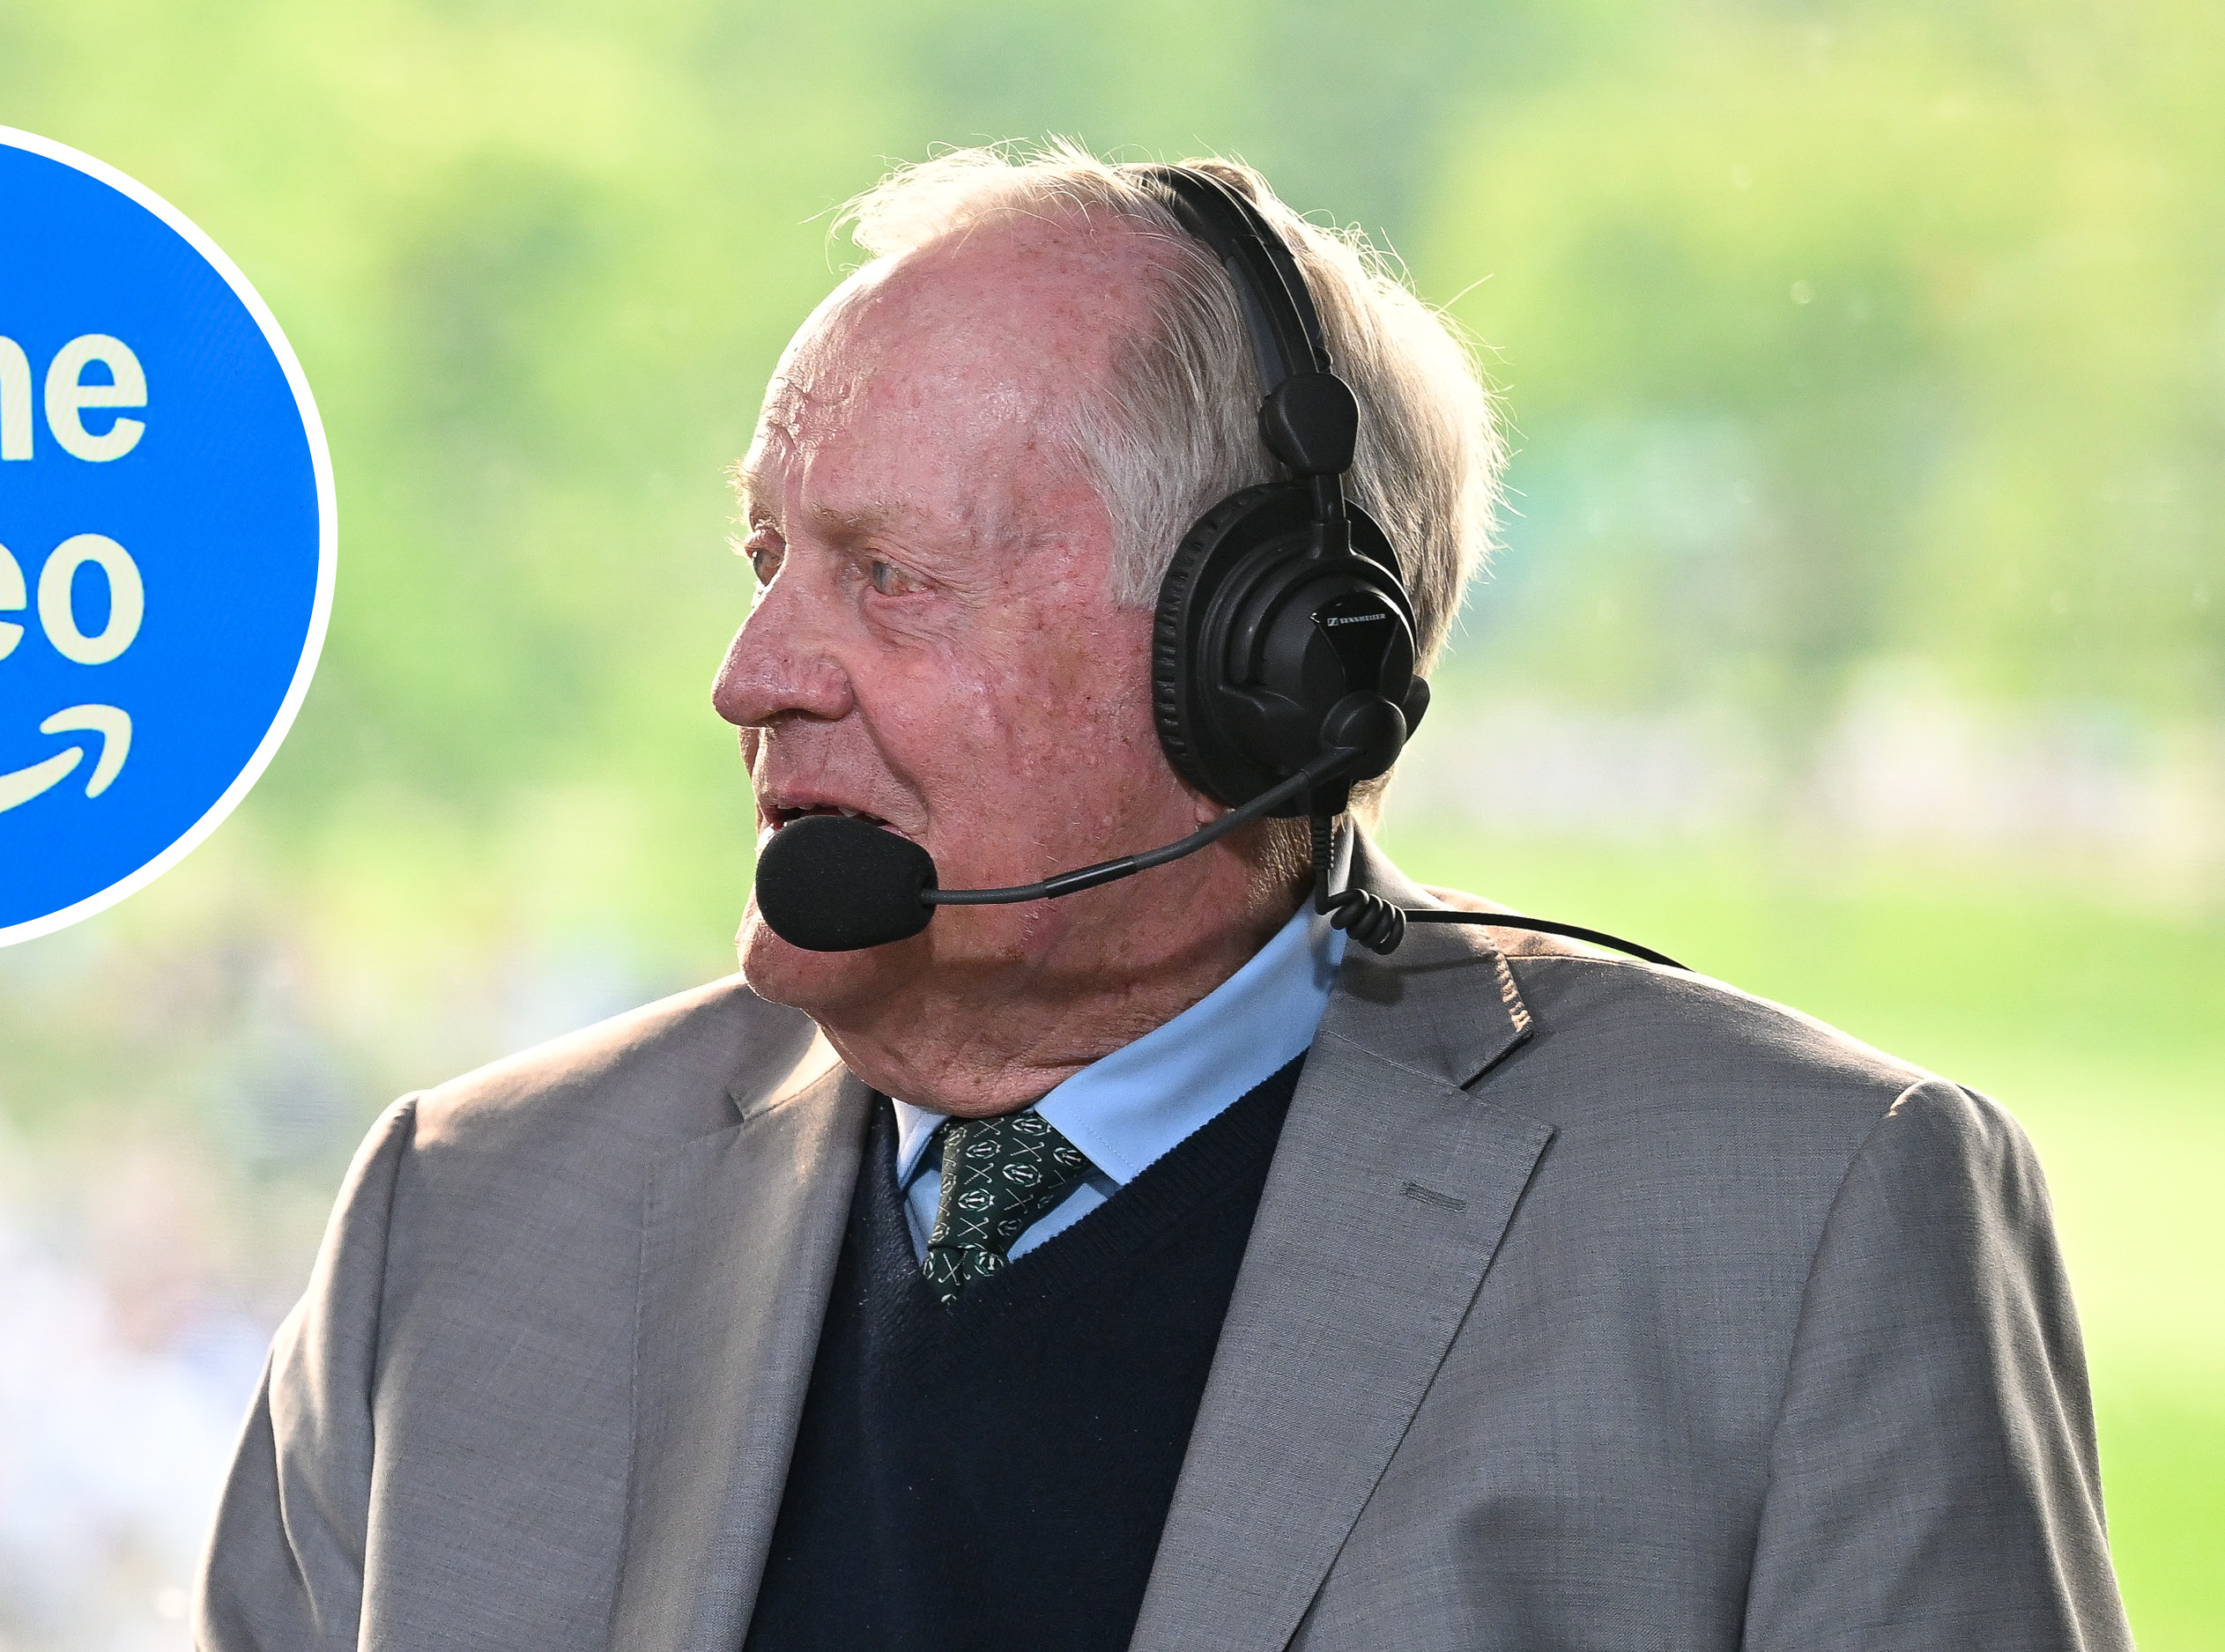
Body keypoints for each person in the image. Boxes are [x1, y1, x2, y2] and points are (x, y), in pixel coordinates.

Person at [199, 143, 2128, 1652]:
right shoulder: (460, 1216)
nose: (750, 669)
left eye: (886, 578)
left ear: (1261, 667)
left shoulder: (1802, 1217)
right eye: (766, 554)